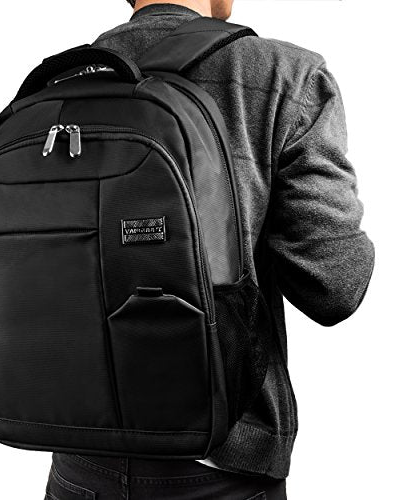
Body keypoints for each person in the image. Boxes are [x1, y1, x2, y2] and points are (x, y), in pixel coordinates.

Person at [45, 1, 375, 499]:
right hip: (222, 464)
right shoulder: (284, 75)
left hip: (76, 452)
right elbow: (334, 287)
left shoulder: (64, 82)